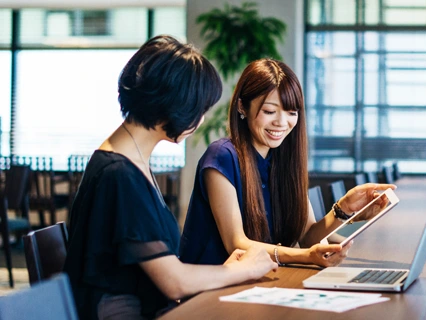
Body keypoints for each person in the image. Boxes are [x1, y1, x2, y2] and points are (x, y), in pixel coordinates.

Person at [63, 35, 277, 320]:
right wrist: (244, 269)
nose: (200, 121)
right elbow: (174, 282)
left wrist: (228, 269)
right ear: (176, 105)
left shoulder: (129, 160)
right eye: (200, 110)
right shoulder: (119, 174)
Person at [179, 58, 396, 268]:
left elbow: (308, 237)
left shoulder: (284, 160)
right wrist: (305, 257)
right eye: (270, 111)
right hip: (209, 291)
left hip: (257, 283)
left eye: (291, 112)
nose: (282, 123)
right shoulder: (222, 156)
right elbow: (237, 244)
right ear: (242, 107)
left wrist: (343, 210)